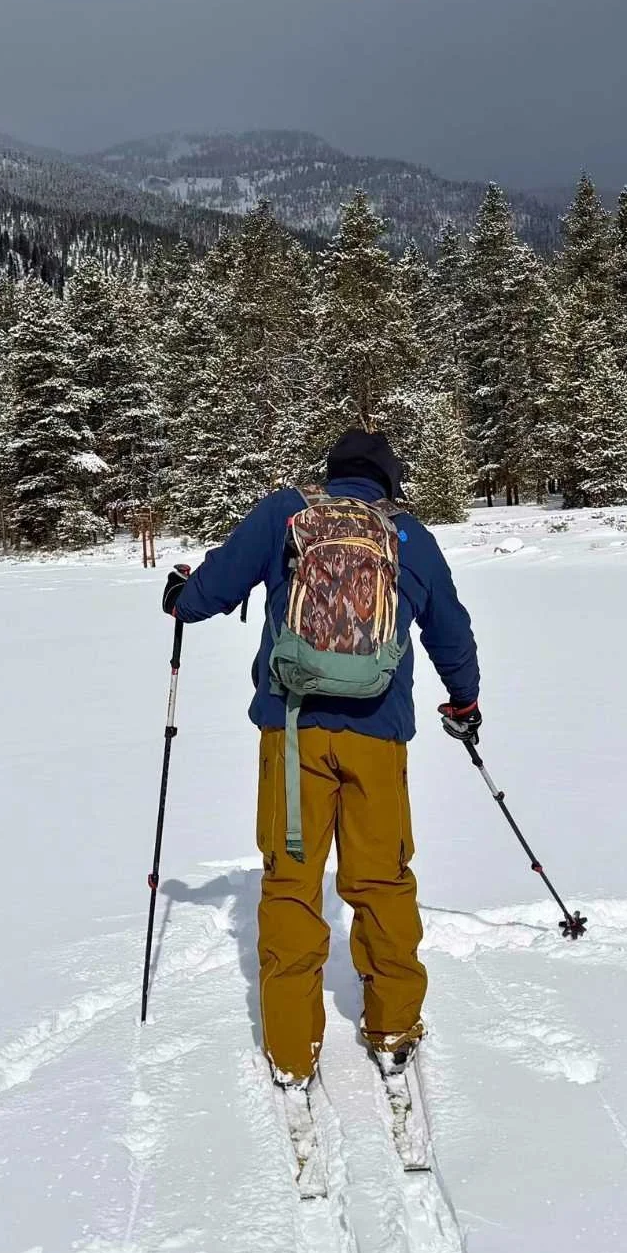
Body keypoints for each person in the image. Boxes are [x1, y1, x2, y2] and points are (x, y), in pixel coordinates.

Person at [163, 428, 480, 1095]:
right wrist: (464, 700)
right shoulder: (409, 536)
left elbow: (206, 594)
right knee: (382, 881)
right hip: (378, 735)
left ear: (332, 474)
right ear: (390, 482)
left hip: (292, 731)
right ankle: (394, 1027)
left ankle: (291, 1050)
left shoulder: (287, 513)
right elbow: (450, 629)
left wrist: (181, 595)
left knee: (290, 884)